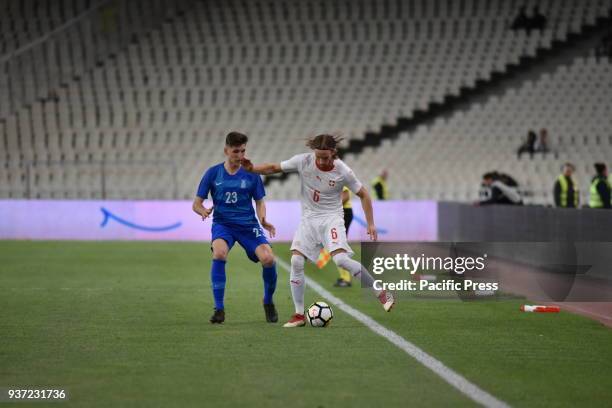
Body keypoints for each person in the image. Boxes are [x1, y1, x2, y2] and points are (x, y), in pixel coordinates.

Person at [242, 134, 395, 327]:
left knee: (341, 260)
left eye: (326, 157)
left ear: (333, 152)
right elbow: (274, 168)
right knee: (296, 261)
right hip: (308, 219)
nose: (321, 161)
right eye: (318, 156)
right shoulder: (303, 161)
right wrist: (252, 168)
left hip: (332, 218)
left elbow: (363, 194)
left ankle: (380, 292)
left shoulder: (343, 171)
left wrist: (370, 223)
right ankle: (298, 315)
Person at [192, 132, 279, 324]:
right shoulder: (213, 173)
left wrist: (263, 219)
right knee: (219, 253)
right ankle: (219, 309)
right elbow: (196, 203)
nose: (240, 155)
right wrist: (203, 211)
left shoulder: (251, 173)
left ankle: (268, 301)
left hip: (248, 225)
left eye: (243, 151)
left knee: (268, 259)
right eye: (236, 151)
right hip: (223, 225)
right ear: (226, 150)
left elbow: (259, 201)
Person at [334, 186, 354, 287]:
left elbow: (346, 196)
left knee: (338, 245)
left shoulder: (339, 177)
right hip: (341, 213)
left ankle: (346, 278)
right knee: (336, 245)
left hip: (344, 213)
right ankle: (344, 277)